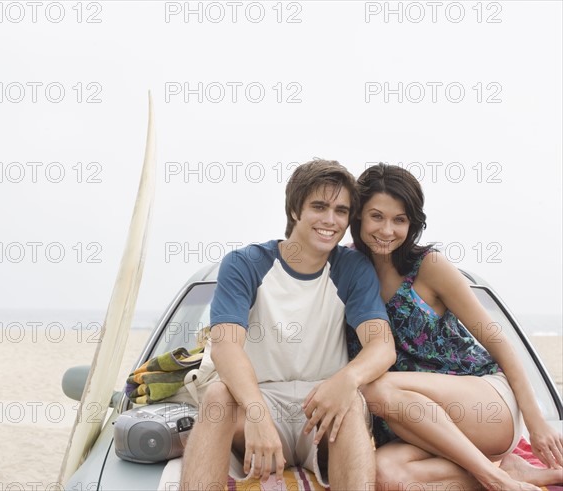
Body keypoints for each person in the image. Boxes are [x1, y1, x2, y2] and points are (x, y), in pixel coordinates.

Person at [180, 159, 396, 490]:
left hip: (321, 406)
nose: (330, 220)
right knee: (217, 396)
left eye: (341, 211)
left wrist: (347, 379)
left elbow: (382, 345)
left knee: (351, 399)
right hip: (261, 397)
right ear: (295, 209)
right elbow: (225, 345)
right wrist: (256, 413)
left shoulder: (352, 268)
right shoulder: (246, 264)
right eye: (319, 206)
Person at [349, 163, 563, 491]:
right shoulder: (348, 275)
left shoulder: (429, 267)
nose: (387, 230)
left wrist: (535, 424)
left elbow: (499, 343)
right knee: (385, 475)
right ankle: (509, 475)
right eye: (376, 216)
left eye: (400, 219)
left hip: (483, 404)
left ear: (413, 223)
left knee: (372, 385)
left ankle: (498, 482)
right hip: (420, 425)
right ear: (359, 216)